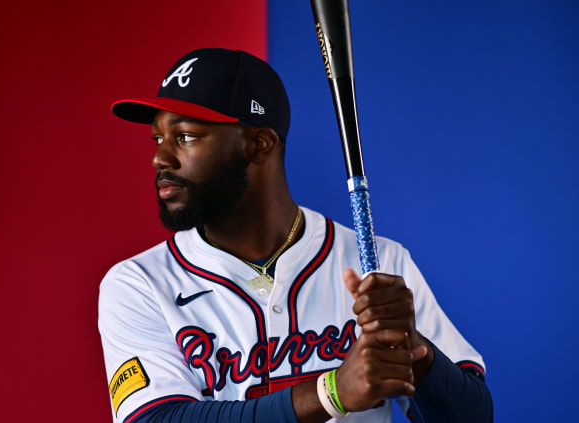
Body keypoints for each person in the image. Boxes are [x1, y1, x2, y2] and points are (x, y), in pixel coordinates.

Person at [98, 48, 492, 423]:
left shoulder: (380, 263)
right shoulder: (139, 284)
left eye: (185, 136)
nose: (159, 158)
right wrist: (331, 391)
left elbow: (472, 415)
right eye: (158, 139)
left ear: (259, 144)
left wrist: (416, 352)